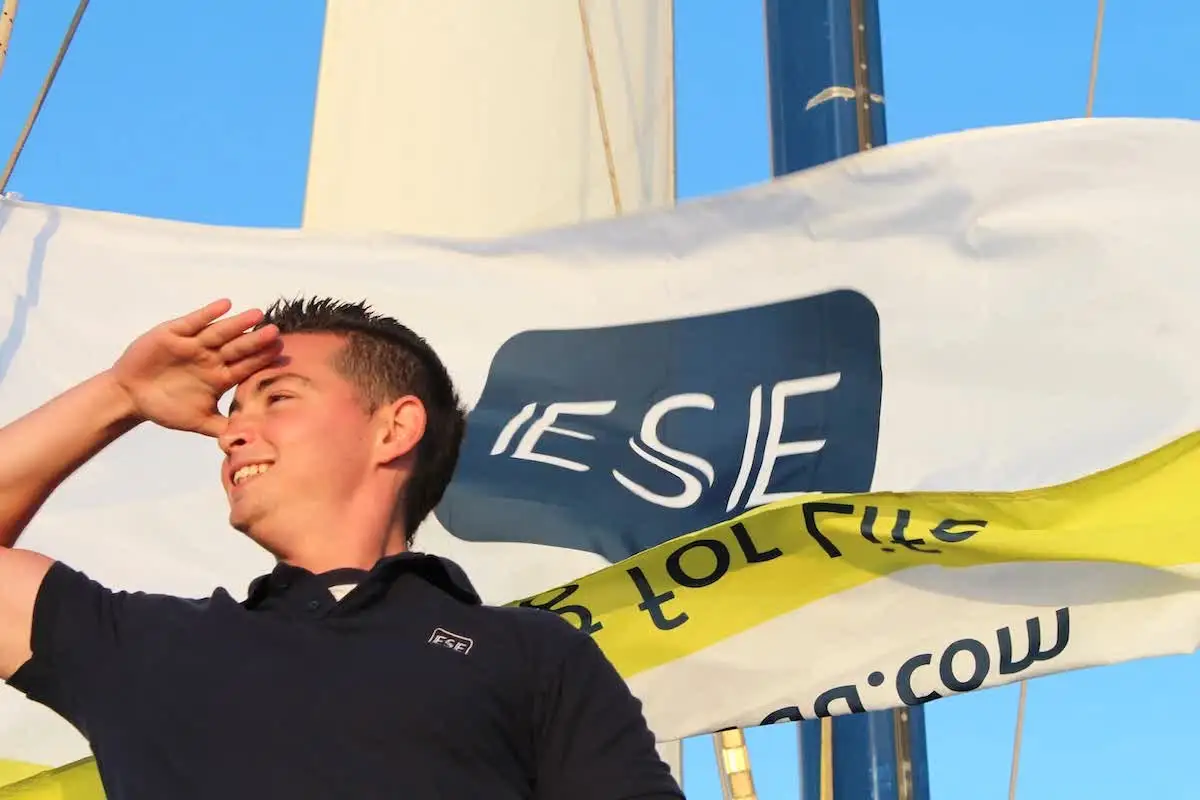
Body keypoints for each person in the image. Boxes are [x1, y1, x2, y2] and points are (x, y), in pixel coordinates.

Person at [0, 297, 685, 799]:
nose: (232, 434)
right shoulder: (141, 645)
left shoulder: (531, 653)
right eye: (233, 413)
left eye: (278, 397)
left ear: (395, 429)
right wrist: (121, 395)